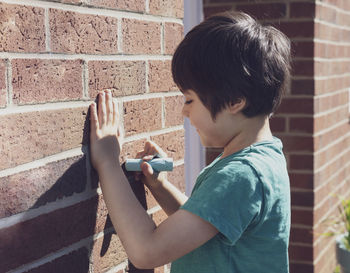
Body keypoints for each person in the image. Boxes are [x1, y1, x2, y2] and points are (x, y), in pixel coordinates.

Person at [89, 11, 291, 273]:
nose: (184, 112)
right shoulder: (261, 158)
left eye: (189, 100)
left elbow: (146, 251)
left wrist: (107, 161)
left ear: (234, 101)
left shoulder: (243, 175)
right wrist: (160, 187)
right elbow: (210, 225)